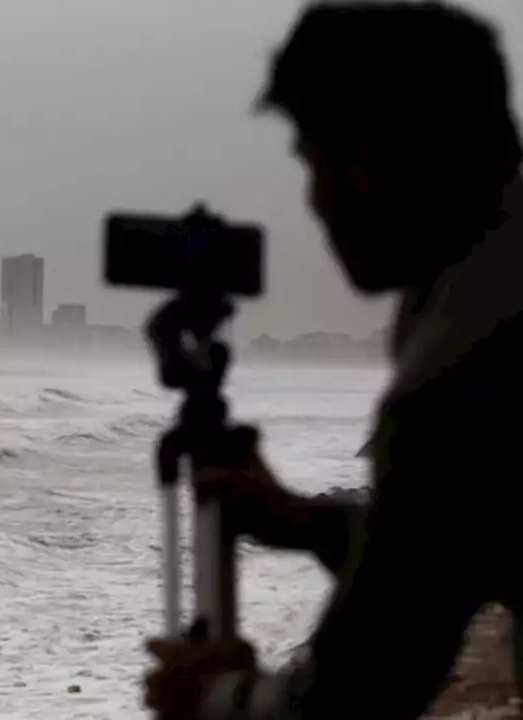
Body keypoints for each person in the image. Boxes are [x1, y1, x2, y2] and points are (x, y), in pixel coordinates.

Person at [142, 2, 523, 718]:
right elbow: (455, 545)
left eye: (312, 165)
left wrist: (217, 696)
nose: (313, 205)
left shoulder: (462, 364)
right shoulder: (484, 285)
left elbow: (360, 691)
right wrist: (308, 523)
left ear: (367, 165)